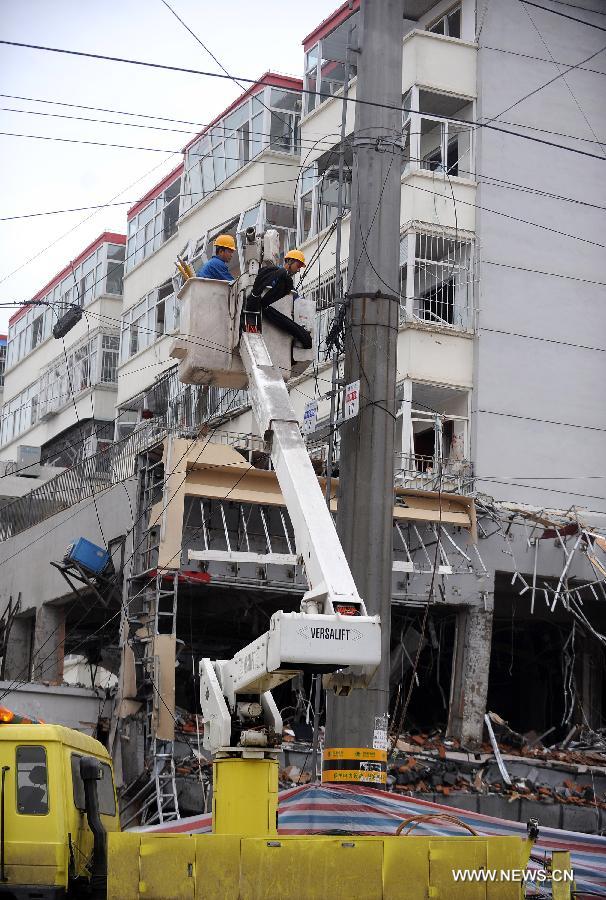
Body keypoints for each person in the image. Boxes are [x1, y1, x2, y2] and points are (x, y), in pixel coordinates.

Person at [247, 249, 312, 349]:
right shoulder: (275, 274)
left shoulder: (284, 279)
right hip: (267, 313)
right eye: (298, 266)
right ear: (290, 261)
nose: (298, 270)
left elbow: (293, 297)